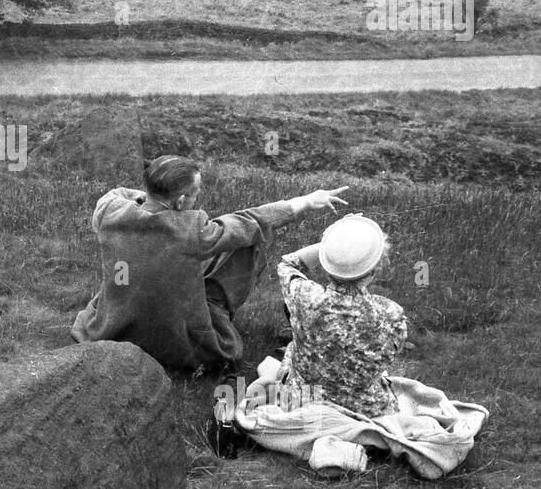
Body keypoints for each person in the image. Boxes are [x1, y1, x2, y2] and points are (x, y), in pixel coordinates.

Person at [71, 156, 349, 375]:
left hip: (112, 324)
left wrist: (152, 197)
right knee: (245, 240)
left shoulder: (110, 210)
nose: (197, 196)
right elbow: (250, 221)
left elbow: (119, 193)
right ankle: (216, 310)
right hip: (175, 341)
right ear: (181, 201)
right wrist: (307, 202)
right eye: (195, 192)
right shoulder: (194, 231)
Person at [272, 214, 408, 419]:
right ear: (376, 269)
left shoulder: (304, 296)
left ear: (327, 264)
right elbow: (382, 362)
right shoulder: (392, 314)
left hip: (300, 404)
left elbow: (288, 264)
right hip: (367, 411)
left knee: (290, 351)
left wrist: (334, 244)